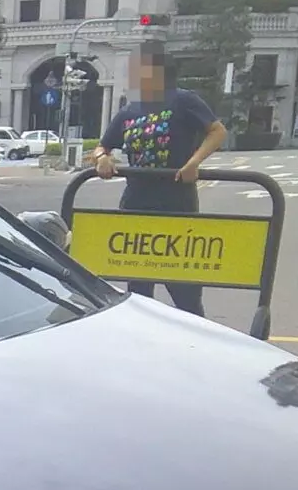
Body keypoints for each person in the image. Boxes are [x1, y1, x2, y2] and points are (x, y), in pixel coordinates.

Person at [91, 43, 229, 316]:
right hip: (136, 206)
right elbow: (102, 145)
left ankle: (194, 344)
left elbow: (216, 131)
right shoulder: (129, 110)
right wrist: (101, 158)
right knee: (139, 290)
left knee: (184, 290)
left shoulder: (183, 100)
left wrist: (194, 161)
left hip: (176, 207)